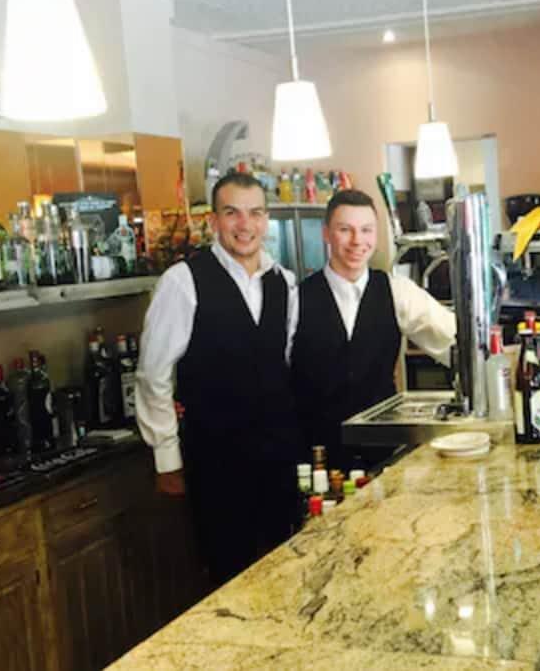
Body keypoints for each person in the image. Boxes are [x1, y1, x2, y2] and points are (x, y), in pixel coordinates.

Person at [135, 173, 301, 586]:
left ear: (266, 220)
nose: (245, 225)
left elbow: (283, 364)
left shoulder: (285, 282)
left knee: (287, 571)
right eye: (232, 213)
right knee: (229, 579)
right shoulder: (182, 282)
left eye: (255, 213)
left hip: (278, 459)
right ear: (213, 221)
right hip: (217, 461)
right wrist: (167, 457)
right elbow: (153, 376)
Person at [290, 189, 456, 472]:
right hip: (316, 459)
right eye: (345, 230)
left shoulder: (397, 291)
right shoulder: (295, 298)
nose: (357, 240)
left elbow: (454, 341)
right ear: (326, 234)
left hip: (384, 455)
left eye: (366, 230)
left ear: (376, 235)